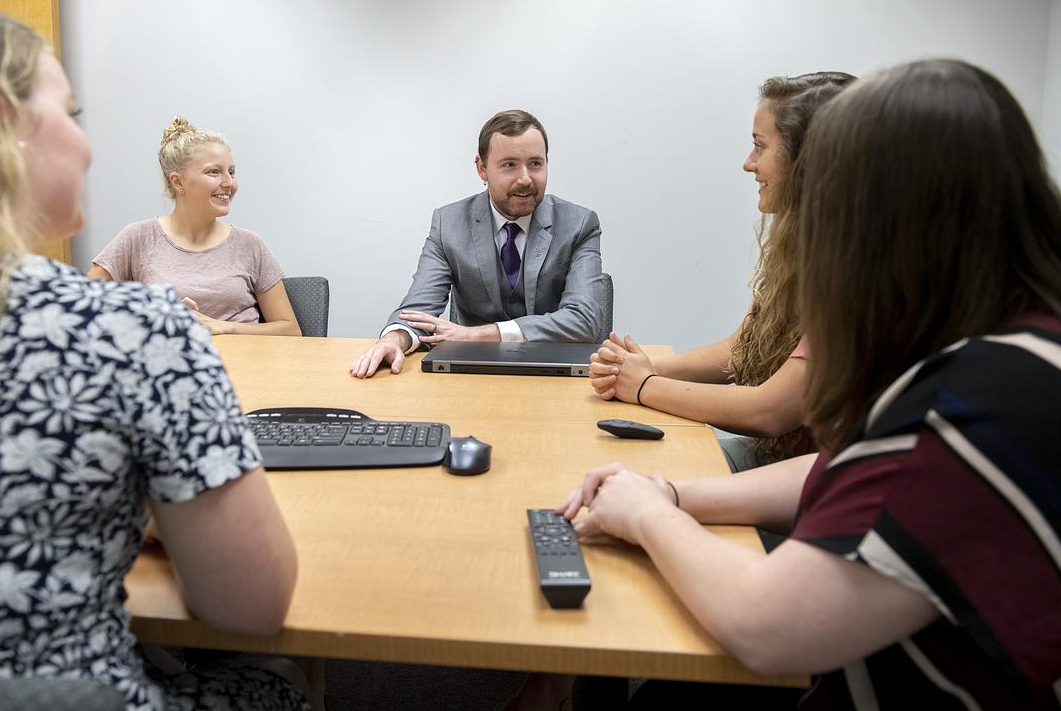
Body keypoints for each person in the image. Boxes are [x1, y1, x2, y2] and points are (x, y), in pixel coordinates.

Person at [560, 60, 1061, 708]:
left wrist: (651, 513)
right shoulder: (1000, 342)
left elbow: (768, 626)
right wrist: (672, 494)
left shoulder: (995, 392)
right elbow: (856, 468)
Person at [0, 0, 306, 711]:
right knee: (273, 679)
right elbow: (251, 606)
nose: (86, 141)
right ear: (2, 129)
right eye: (69, 116)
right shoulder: (138, 330)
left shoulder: (234, 256)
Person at [590, 73, 854, 471]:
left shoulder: (853, 275)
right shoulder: (806, 250)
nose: (749, 163)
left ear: (808, 161)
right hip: (781, 459)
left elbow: (770, 412)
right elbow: (740, 349)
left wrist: (645, 386)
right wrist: (640, 368)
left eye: (760, 146)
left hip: (815, 480)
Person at [350, 109, 606, 378]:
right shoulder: (448, 223)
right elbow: (419, 309)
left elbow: (584, 320)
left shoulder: (579, 224)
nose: (525, 178)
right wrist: (393, 341)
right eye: (509, 164)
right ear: (482, 168)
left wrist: (480, 334)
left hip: (555, 376)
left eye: (535, 164)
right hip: (472, 375)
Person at [89, 117, 301, 337]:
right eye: (213, 172)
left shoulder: (250, 244)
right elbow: (83, 308)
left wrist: (226, 327)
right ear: (177, 182)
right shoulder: (137, 238)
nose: (229, 183)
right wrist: (154, 315)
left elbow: (291, 330)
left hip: (245, 367)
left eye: (232, 172)